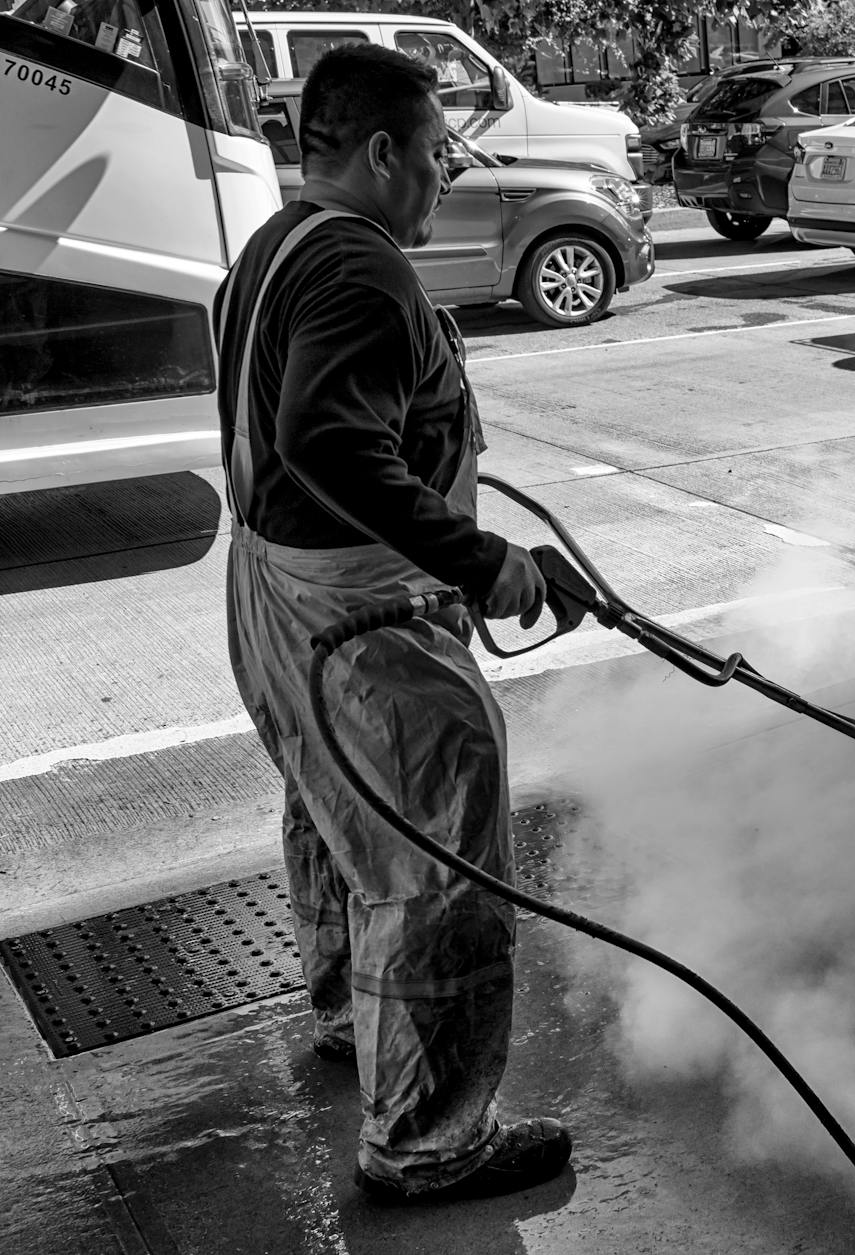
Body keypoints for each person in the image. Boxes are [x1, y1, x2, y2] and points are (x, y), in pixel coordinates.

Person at [213, 42, 568, 1205]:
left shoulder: (274, 244)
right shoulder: (363, 271)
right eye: (432, 154)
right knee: (437, 856)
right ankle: (430, 1137)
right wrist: (486, 565)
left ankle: (340, 1010)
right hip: (355, 615)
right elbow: (328, 438)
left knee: (334, 814)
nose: (441, 174)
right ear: (378, 152)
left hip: (270, 592)